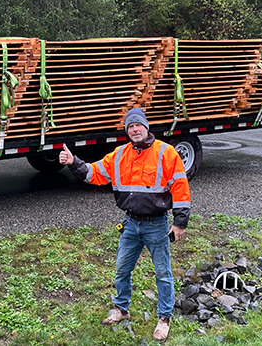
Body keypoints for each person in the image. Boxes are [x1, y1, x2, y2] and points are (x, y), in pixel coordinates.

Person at [59, 107, 190, 342]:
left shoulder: (165, 153)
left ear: (146, 127)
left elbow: (180, 188)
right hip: (130, 224)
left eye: (138, 125)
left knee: (163, 273)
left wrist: (180, 223)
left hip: (157, 225)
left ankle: (164, 318)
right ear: (127, 131)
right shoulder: (119, 154)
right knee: (122, 270)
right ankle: (121, 309)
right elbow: (95, 173)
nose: (135, 129)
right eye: (130, 126)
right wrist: (73, 162)